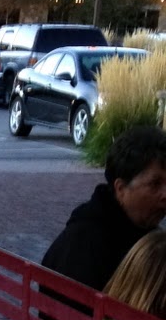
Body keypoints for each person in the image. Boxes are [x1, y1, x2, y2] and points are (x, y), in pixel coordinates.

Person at [41, 124, 166, 289]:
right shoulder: (87, 245)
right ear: (121, 189)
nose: (164, 194)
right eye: (155, 184)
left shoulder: (138, 233)